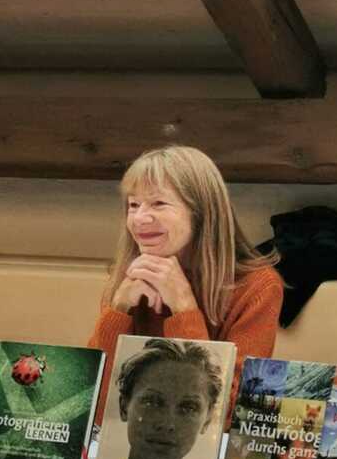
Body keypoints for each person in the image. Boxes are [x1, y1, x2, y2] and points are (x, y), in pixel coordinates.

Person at [88, 146, 283, 422]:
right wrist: (118, 311)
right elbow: (91, 403)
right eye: (133, 205)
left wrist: (185, 309)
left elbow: (226, 415)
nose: (140, 218)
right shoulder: (129, 278)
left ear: (201, 213)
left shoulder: (257, 287)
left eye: (158, 203)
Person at [91, 338, 222, 459]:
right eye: (152, 402)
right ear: (124, 406)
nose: (167, 424)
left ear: (207, 420)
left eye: (188, 407)